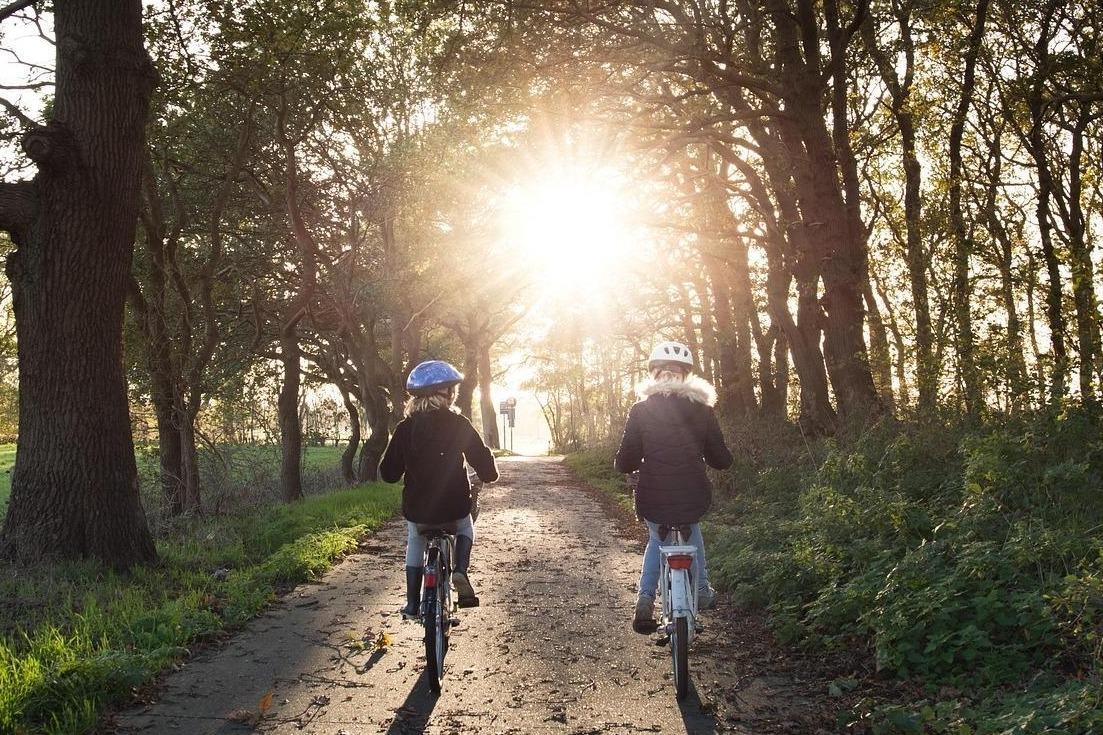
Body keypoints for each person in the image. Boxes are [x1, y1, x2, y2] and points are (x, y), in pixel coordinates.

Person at [614, 341, 733, 633]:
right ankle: (702, 590)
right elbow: (721, 459)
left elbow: (626, 459)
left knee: (657, 538)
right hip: (693, 492)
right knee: (692, 528)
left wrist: (624, 464)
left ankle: (645, 599)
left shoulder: (640, 410)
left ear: (655, 375)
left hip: (652, 493)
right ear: (686, 375)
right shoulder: (703, 410)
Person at [380, 359, 499, 616]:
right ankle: (460, 571)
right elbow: (486, 469)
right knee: (466, 527)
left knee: (415, 539)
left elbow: (388, 474)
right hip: (454, 508)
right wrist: (488, 471)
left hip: (418, 511)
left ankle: (412, 603)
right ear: (447, 394)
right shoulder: (460, 425)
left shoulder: (405, 429)